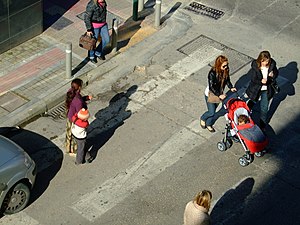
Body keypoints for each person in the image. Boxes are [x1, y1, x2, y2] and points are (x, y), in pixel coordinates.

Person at [200, 55, 237, 132]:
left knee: (213, 111)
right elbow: (211, 87)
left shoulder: (225, 70)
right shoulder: (212, 73)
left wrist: (231, 87)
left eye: (227, 65)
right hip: (211, 94)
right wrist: (219, 95)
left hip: (219, 93)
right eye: (224, 66)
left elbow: (227, 80)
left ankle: (209, 123)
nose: (226, 67)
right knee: (211, 112)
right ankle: (203, 118)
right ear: (218, 65)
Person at [245, 50, 279, 129]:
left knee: (264, 108)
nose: (266, 63)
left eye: (267, 61)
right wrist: (261, 81)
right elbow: (253, 79)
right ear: (260, 60)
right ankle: (244, 117)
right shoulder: (255, 66)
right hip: (256, 88)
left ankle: (262, 126)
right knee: (252, 102)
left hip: (267, 89)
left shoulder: (272, 65)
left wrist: (272, 76)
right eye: (264, 61)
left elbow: (276, 73)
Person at [65, 78, 91, 156]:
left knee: (69, 134)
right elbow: (80, 113)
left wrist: (85, 98)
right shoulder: (78, 101)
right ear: (79, 87)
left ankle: (69, 149)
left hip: (70, 116)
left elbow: (74, 103)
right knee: (76, 136)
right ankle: (75, 151)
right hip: (75, 119)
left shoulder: (70, 92)